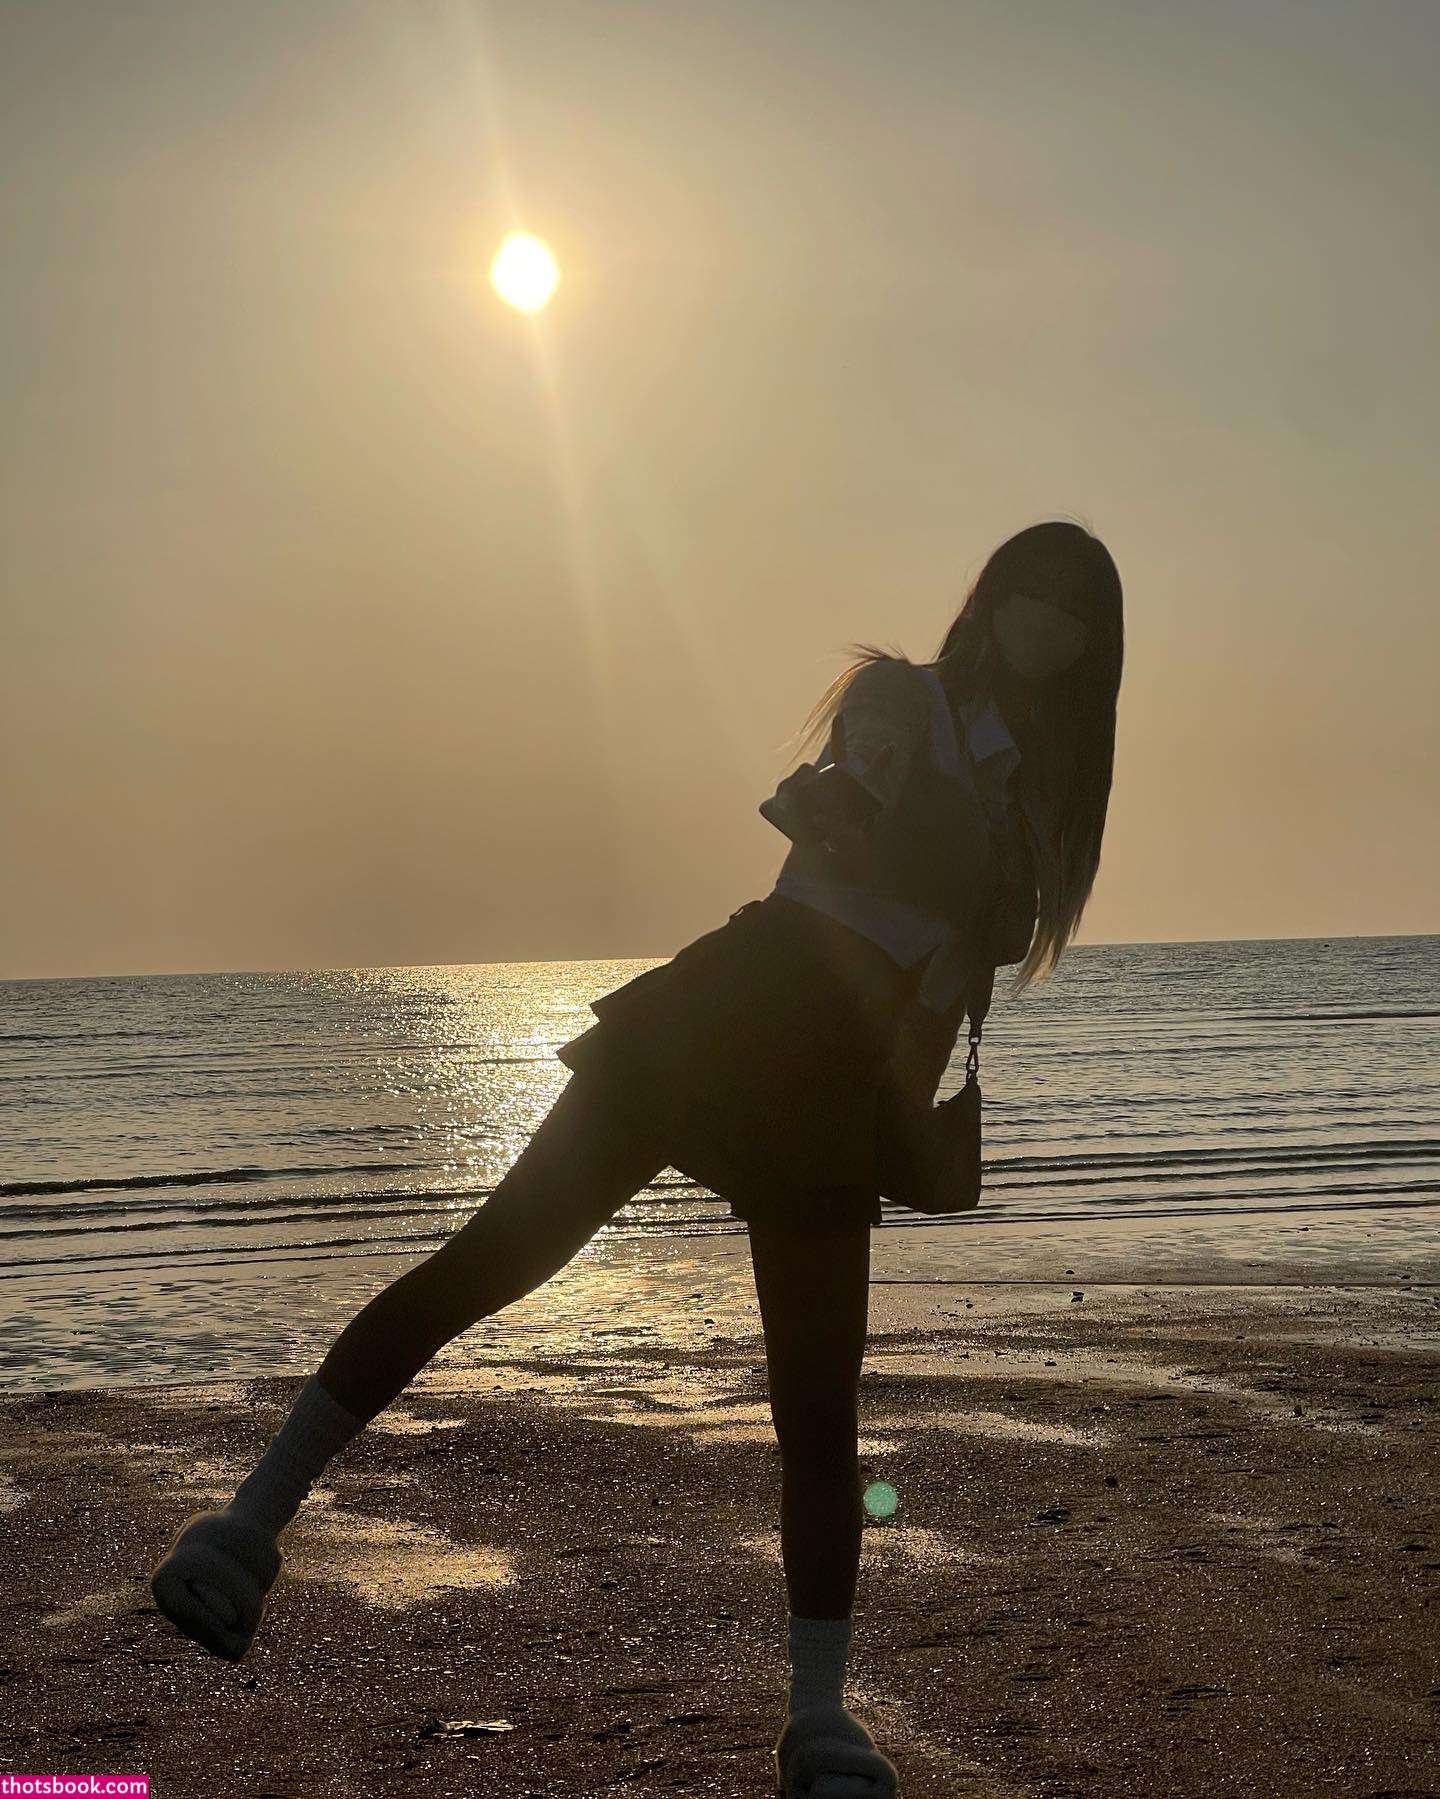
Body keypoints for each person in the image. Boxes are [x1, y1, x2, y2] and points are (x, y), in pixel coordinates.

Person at [150, 518, 1124, 1798]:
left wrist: (933, 951)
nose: (1050, 622)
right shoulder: (900, 695)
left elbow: (957, 935)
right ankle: (244, 1527)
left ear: (1096, 648)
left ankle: (819, 1718)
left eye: (1077, 611)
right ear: (992, 596)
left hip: (839, 1071)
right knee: (495, 1258)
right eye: (1035, 591)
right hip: (730, 1008)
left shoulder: (1039, 794)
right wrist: (939, 854)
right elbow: (854, 817)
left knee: (819, 1406)